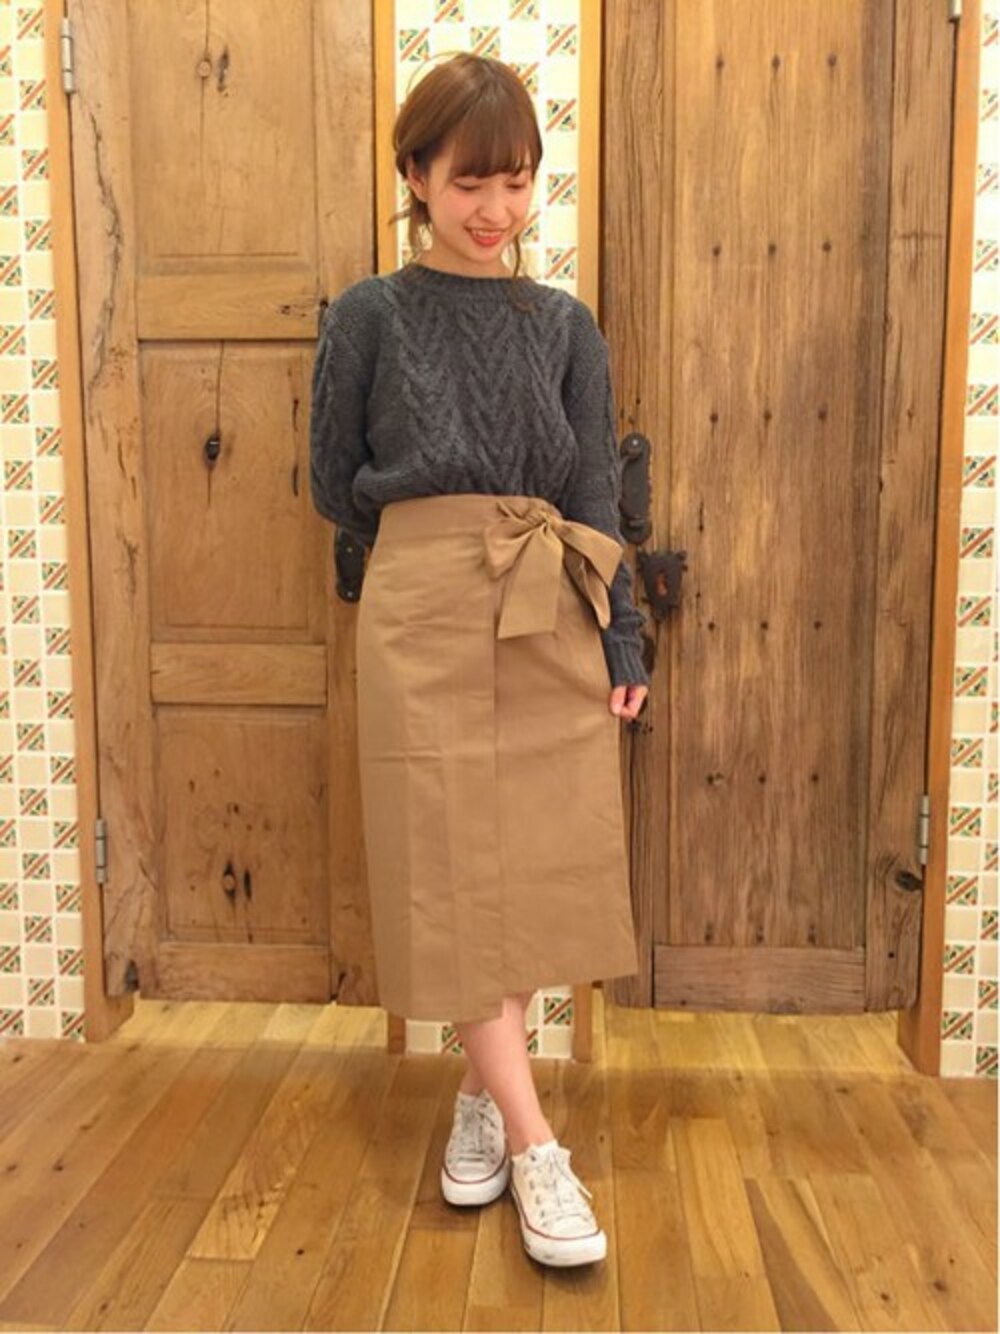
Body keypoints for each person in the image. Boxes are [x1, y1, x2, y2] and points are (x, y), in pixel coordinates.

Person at [309, 51, 649, 1269]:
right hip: (419, 610)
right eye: (468, 181)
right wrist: (432, 544)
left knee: (535, 864)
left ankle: (480, 1099)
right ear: (414, 174)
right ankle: (537, 1142)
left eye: (514, 181)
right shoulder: (367, 315)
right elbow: (330, 479)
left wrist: (620, 630)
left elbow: (592, 488)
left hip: (549, 599)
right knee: (449, 867)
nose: (495, 207)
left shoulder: (562, 325)